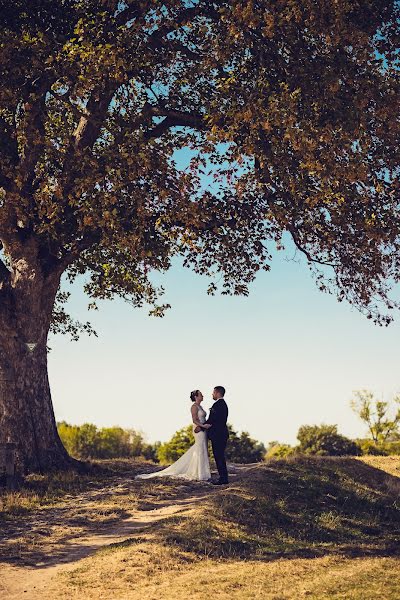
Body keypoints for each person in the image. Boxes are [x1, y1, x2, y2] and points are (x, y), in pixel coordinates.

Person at [135, 390, 212, 481]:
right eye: (200, 395)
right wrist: (203, 426)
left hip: (203, 429)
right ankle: (199, 473)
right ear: (196, 397)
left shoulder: (200, 406)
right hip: (198, 429)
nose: (203, 396)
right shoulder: (194, 407)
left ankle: (201, 472)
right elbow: (194, 420)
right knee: (199, 448)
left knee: (202, 448)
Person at [206, 386, 229, 485]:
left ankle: (223, 479)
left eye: (213, 392)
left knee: (219, 456)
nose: (212, 394)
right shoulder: (223, 404)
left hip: (218, 435)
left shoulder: (217, 405)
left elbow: (212, 420)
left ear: (217, 392)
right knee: (220, 456)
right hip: (222, 434)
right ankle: (223, 477)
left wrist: (201, 427)